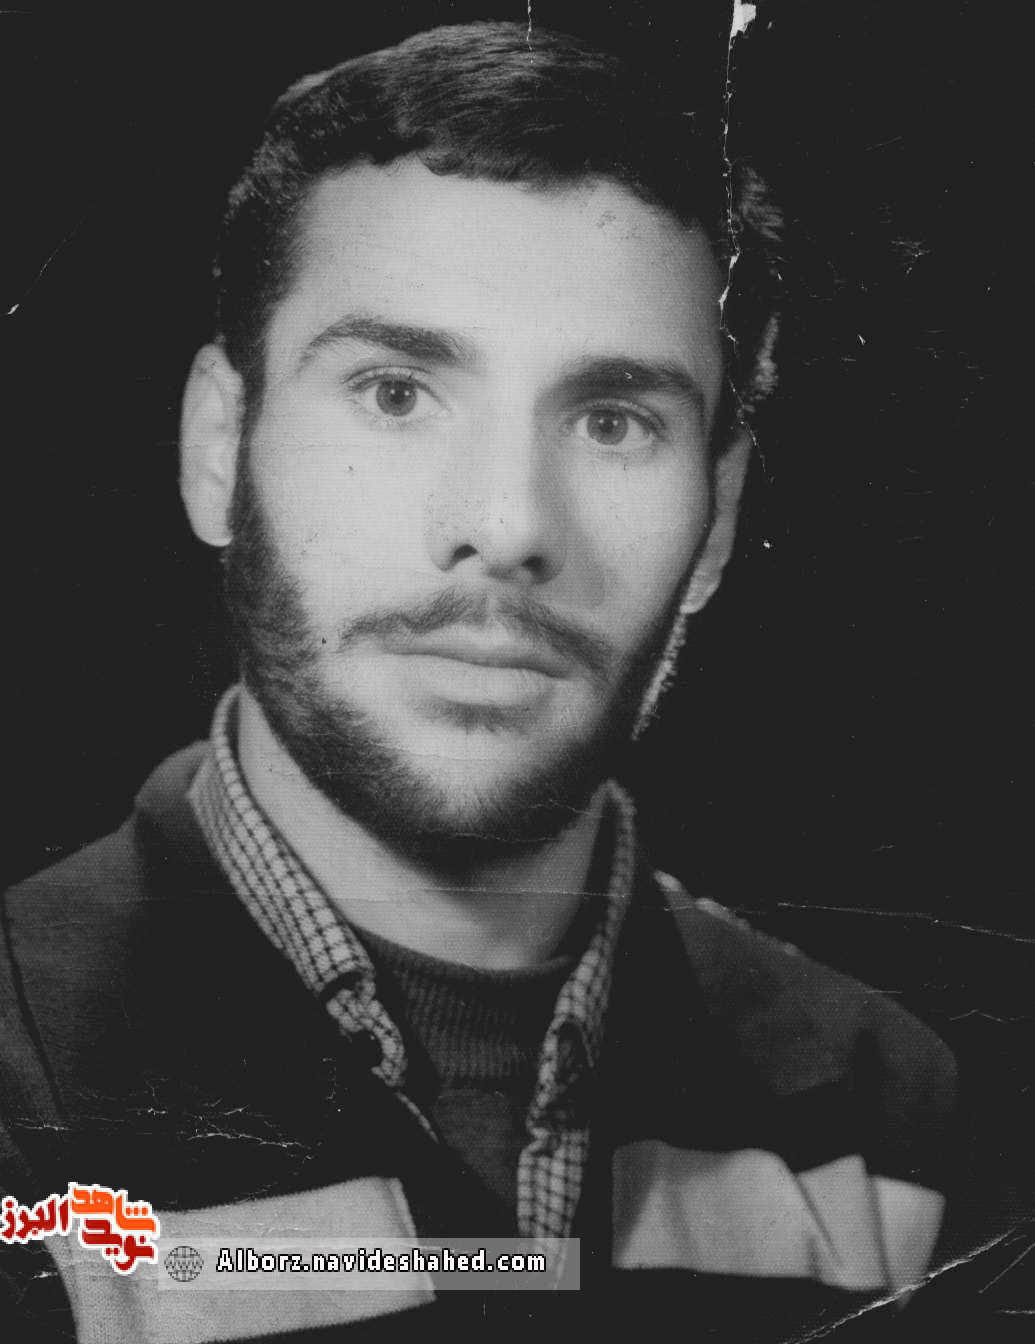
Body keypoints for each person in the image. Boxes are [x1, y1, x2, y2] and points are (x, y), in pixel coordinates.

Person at [1, 21, 957, 1341]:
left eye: (613, 422)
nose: (508, 524)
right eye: (396, 393)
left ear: (717, 523)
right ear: (221, 448)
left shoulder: (885, 1123)